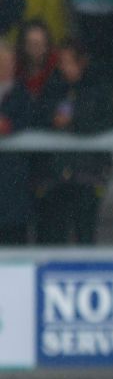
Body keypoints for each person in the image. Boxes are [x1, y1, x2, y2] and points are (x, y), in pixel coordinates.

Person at [35, 39, 113, 244]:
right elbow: (38, 117)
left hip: (87, 177)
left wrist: (76, 121)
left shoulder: (99, 89)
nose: (64, 67)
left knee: (85, 234)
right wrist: (52, 120)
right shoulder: (52, 88)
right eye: (61, 62)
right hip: (55, 179)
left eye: (68, 62)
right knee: (54, 236)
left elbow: (111, 119)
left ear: (81, 62)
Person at [0, 38, 31, 245]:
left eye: (9, 62)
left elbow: (28, 118)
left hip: (12, 184)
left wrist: (7, 126)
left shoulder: (22, 94)